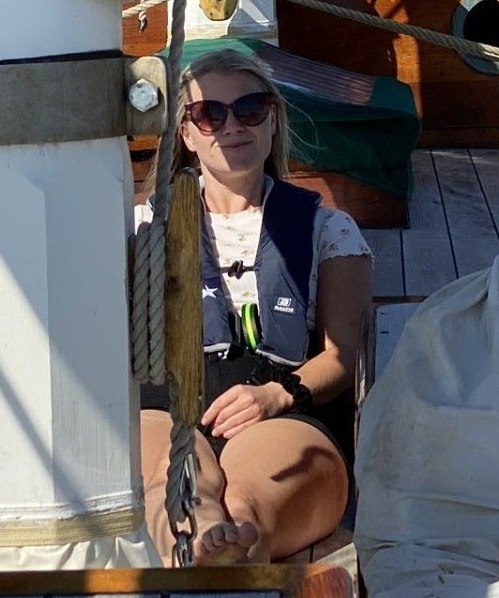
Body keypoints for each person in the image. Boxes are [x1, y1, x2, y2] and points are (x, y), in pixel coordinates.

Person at [138, 50, 371, 564]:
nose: (231, 126)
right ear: (186, 133)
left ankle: (233, 546)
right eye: (209, 114)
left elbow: (342, 355)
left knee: (250, 501)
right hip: (169, 403)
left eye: (250, 109)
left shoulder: (330, 230)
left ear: (273, 120)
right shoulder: (143, 230)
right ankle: (201, 546)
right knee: (176, 481)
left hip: (283, 402)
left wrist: (276, 395)